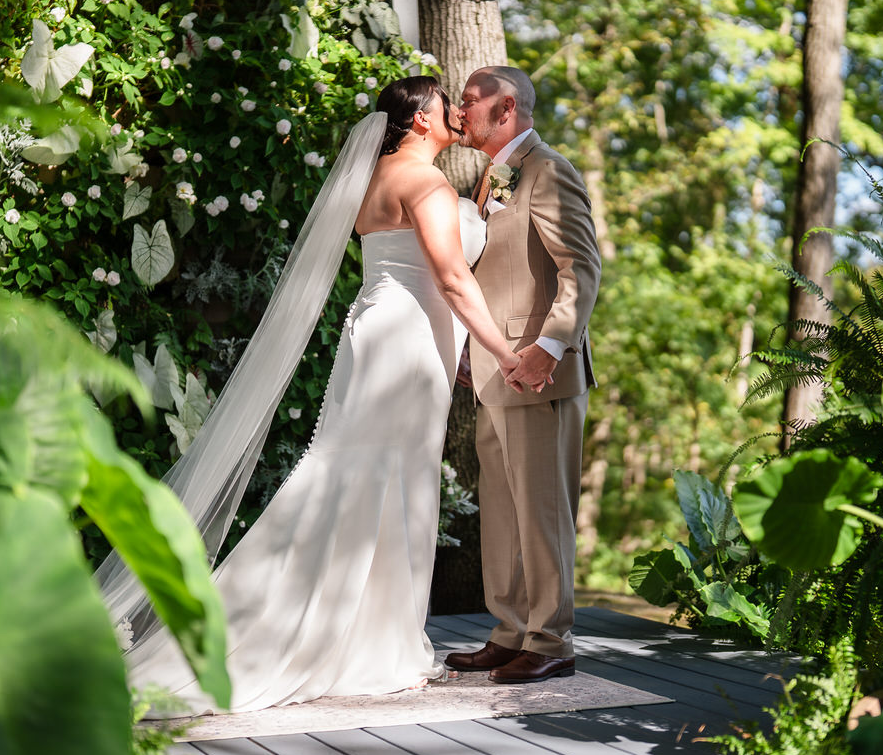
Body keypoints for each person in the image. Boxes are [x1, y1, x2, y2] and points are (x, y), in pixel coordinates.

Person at [98, 75, 523, 713]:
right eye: (445, 104)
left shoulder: (376, 179)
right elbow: (453, 280)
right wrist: (503, 353)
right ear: (419, 120)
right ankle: (376, 644)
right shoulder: (426, 183)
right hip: (408, 340)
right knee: (397, 483)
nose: (456, 114)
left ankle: (364, 636)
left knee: (361, 477)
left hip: (379, 327)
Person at [445, 66, 600, 685]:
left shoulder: (549, 170)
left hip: (539, 373)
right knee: (503, 513)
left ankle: (552, 640)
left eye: (469, 100)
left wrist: (550, 347)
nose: (460, 111)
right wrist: (470, 348)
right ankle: (510, 631)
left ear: (506, 107)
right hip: (493, 372)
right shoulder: (492, 176)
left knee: (542, 513)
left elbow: (580, 268)